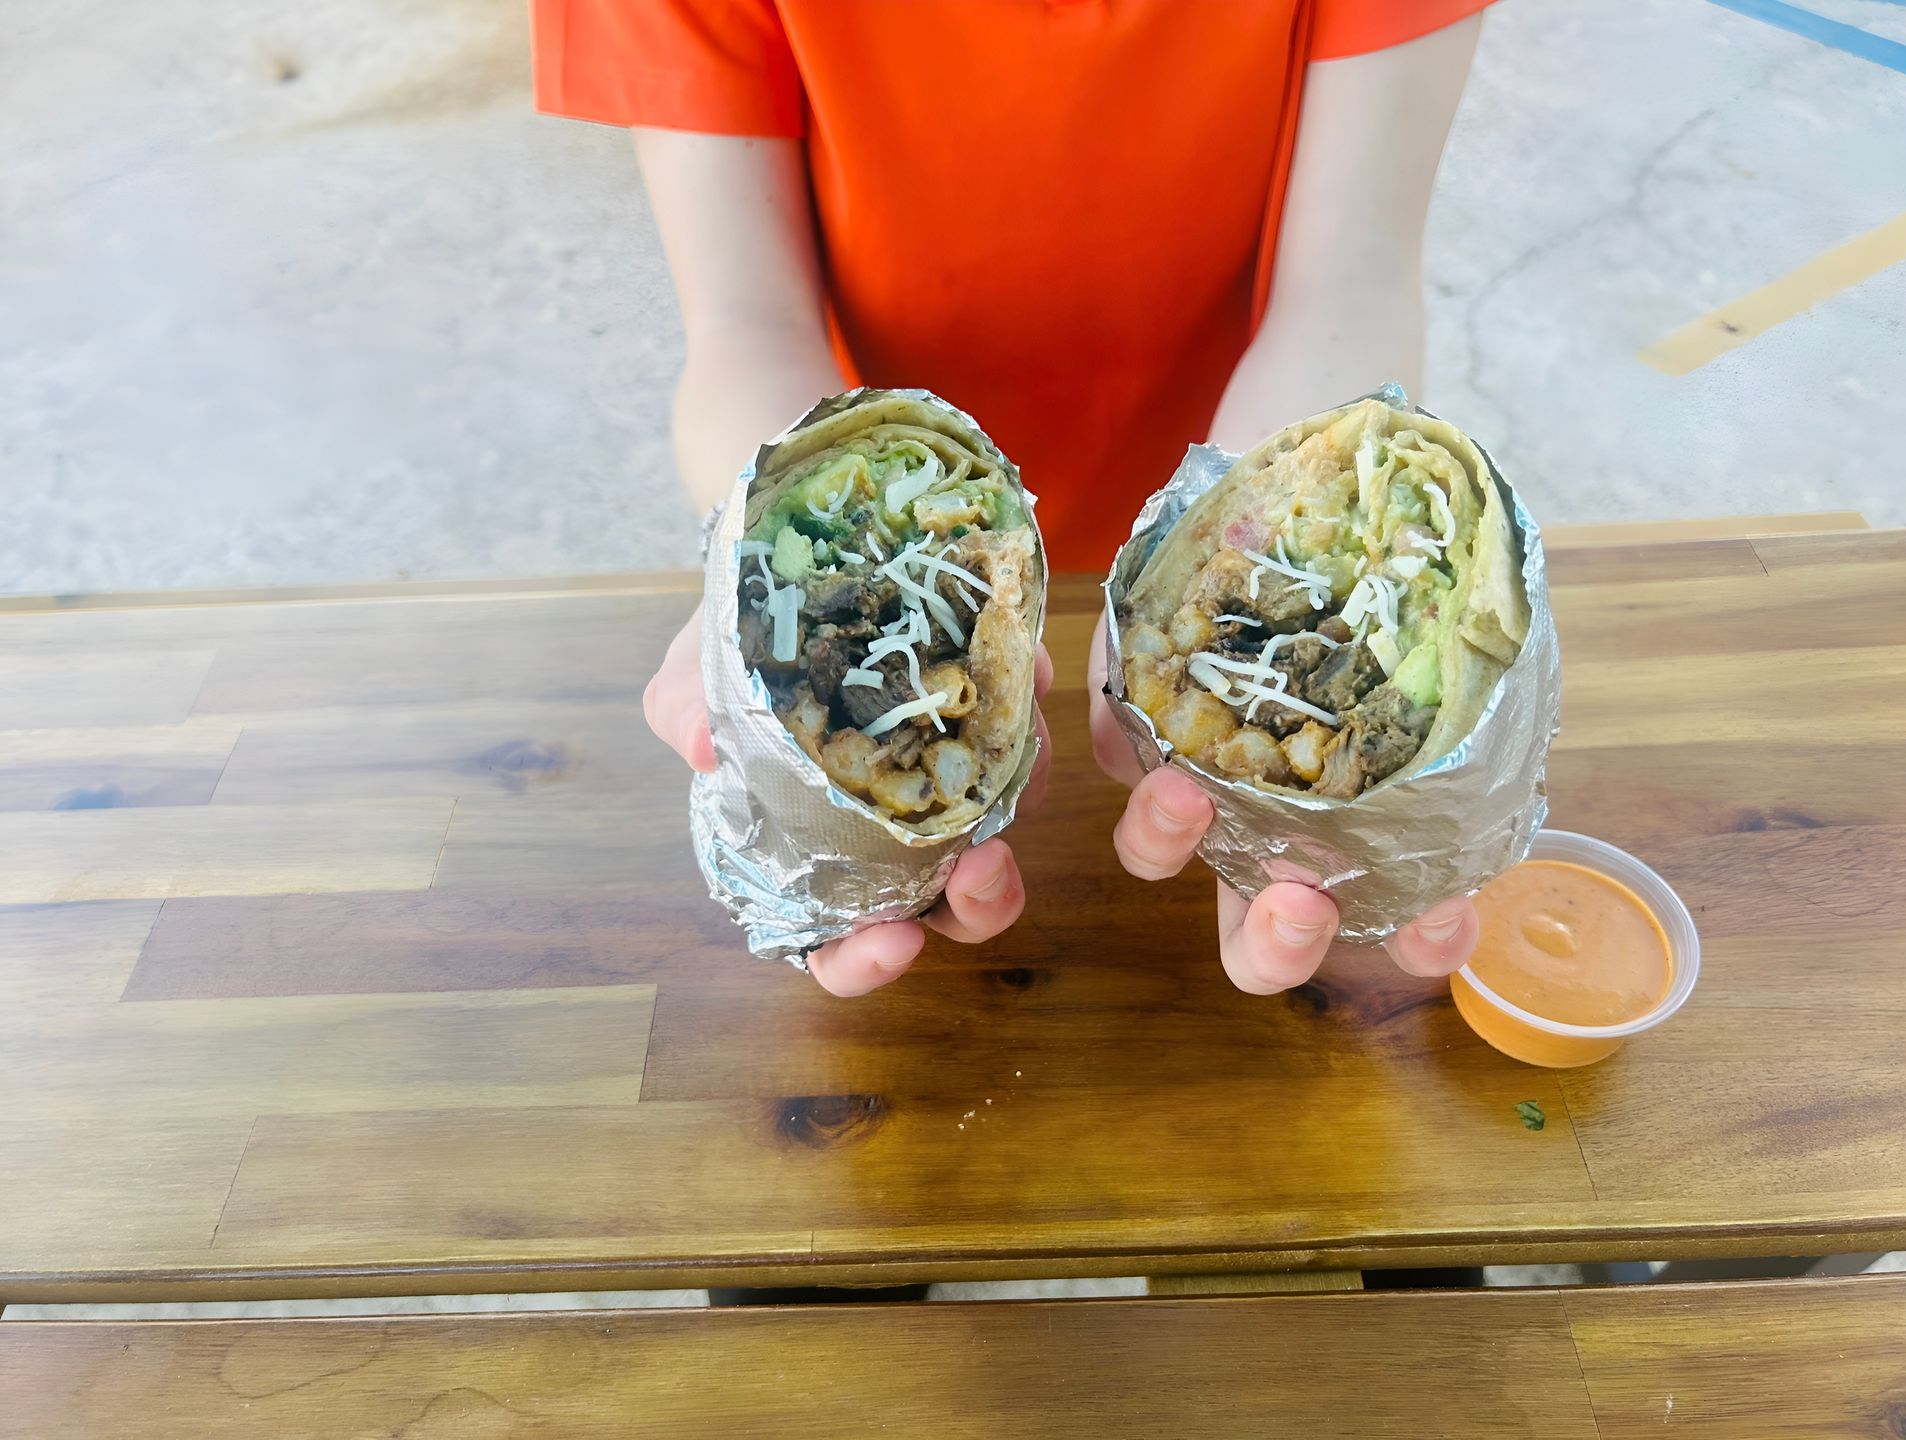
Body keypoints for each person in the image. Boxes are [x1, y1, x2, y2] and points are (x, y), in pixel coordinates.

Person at [537, 0, 1489, 995]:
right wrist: (746, 594)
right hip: (885, 481)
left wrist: (1260, 586)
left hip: (1229, 483)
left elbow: (1351, 281)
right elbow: (744, 325)